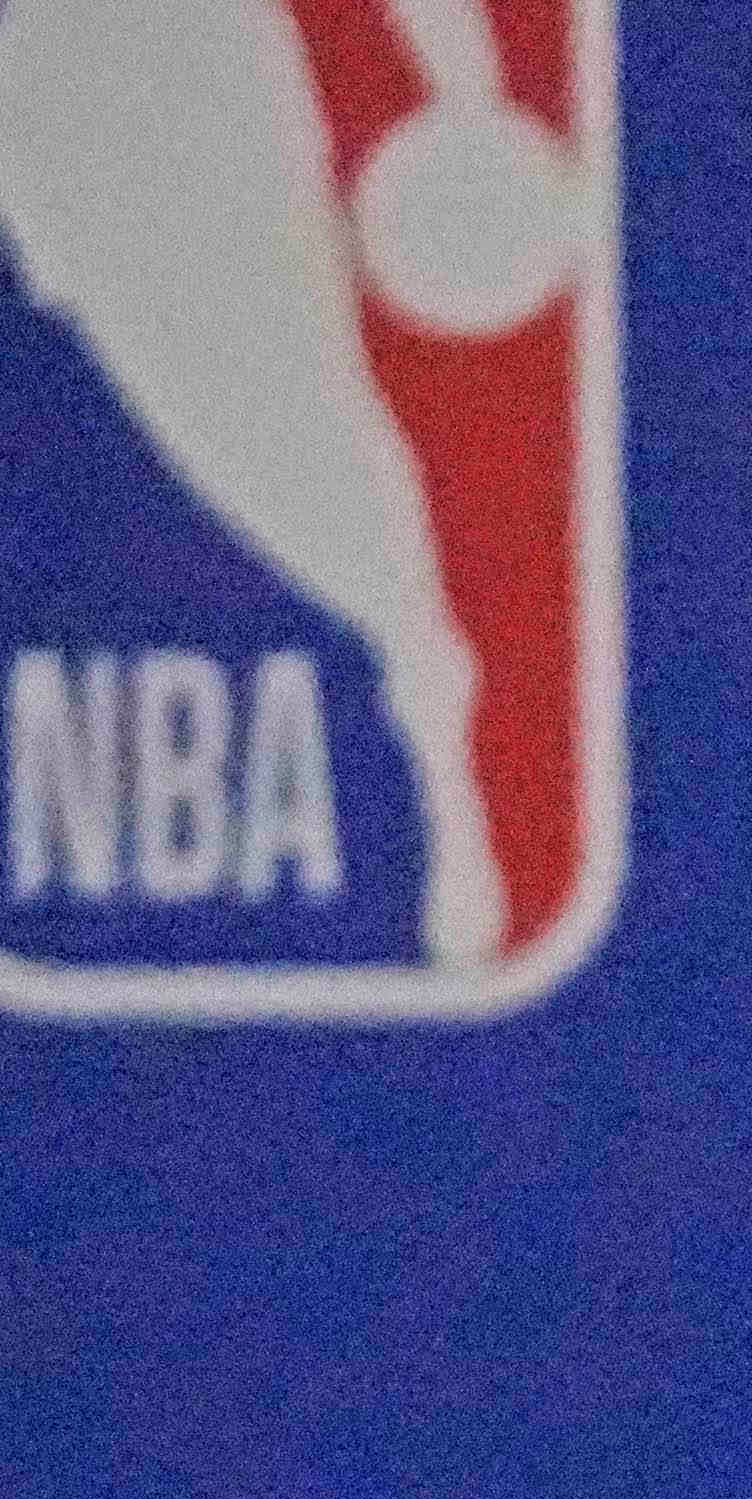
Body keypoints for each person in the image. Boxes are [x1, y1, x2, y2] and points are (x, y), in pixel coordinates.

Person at [0, 0, 555, 969]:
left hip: (200, 87)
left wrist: (470, 97)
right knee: (201, 441)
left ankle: (445, 754)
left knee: (316, 422)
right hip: (55, 114)